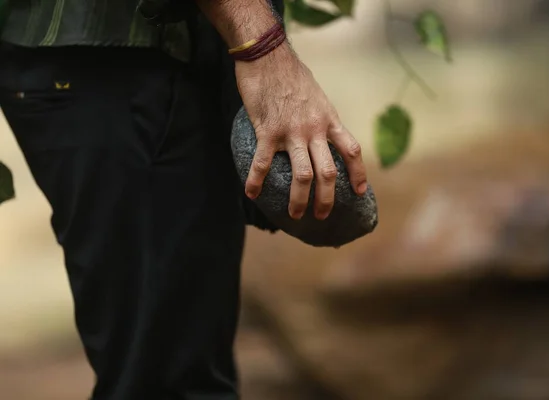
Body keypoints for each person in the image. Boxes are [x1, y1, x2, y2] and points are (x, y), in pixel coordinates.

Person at [0, 0, 368, 398]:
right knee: (168, 383)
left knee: (180, 371)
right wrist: (264, 49)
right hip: (114, 55)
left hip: (161, 52)